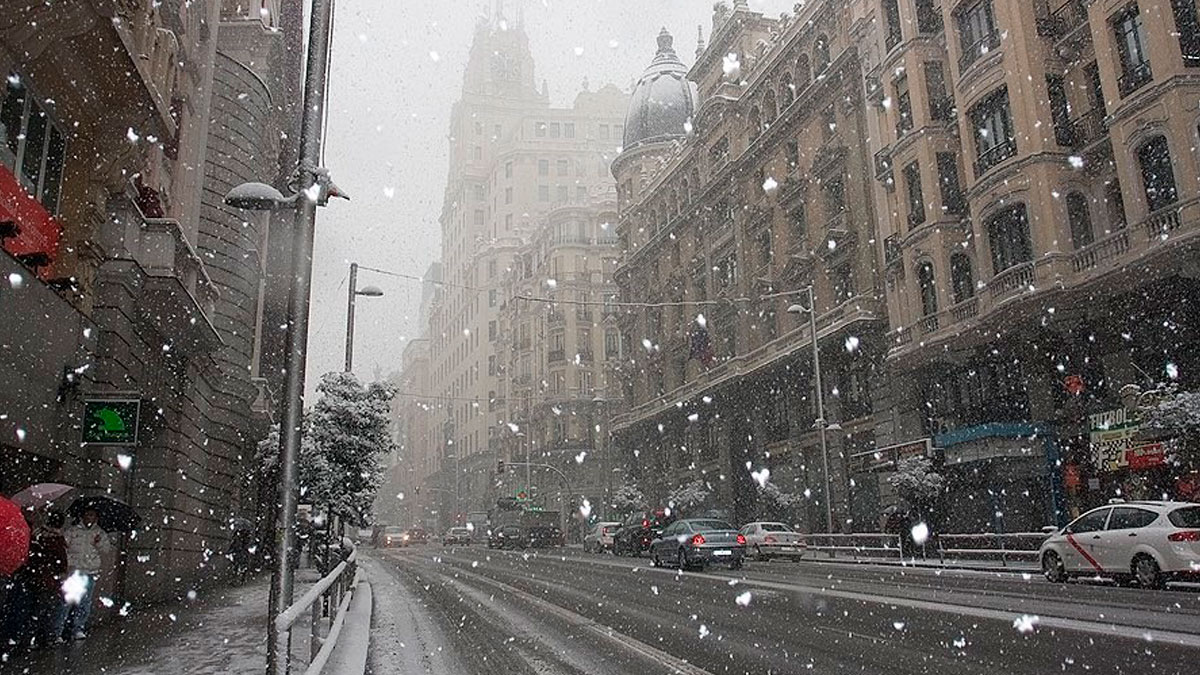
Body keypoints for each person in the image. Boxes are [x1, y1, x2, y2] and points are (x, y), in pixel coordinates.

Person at [56, 508, 111, 641]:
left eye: (92, 515)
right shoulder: (73, 531)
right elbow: (64, 546)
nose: (89, 518)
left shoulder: (99, 533)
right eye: (87, 514)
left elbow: (106, 550)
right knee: (67, 602)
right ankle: (58, 631)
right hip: (73, 571)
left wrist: (99, 543)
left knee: (84, 602)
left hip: (89, 571)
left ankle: (78, 628)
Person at [27, 512, 68, 647]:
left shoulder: (37, 535)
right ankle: (47, 636)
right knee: (50, 607)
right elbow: (61, 562)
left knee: (38, 607)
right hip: (50, 578)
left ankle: (32, 636)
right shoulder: (56, 539)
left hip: (36, 576)